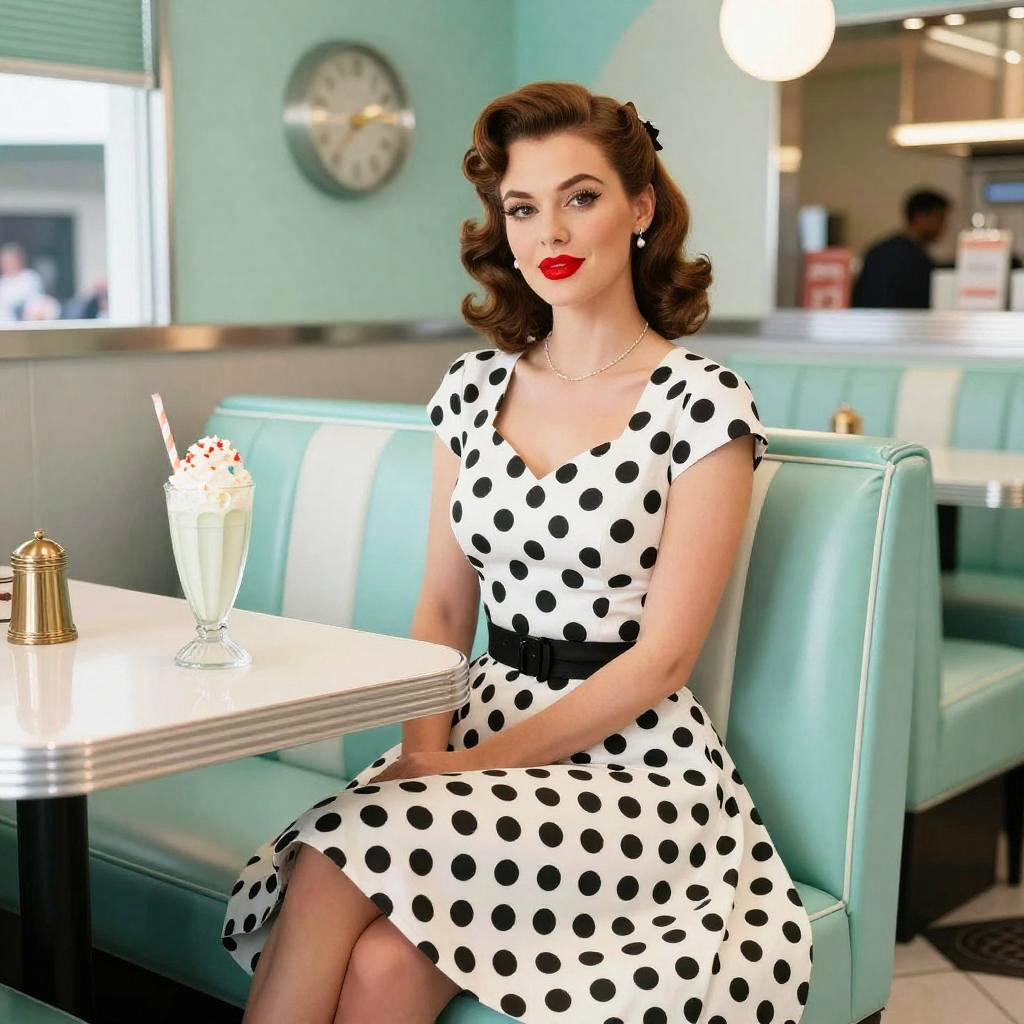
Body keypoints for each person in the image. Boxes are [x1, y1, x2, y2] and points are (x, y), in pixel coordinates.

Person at [222, 81, 813, 1024]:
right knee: (383, 966)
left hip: (631, 766)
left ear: (641, 207)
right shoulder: (469, 389)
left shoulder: (704, 403)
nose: (552, 231)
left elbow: (663, 661)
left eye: (581, 196)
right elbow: (442, 610)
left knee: (331, 866)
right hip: (471, 725)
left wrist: (463, 774)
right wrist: (428, 757)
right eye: (523, 207)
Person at [851, 188, 951, 308]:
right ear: (921, 217)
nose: (944, 226)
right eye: (941, 219)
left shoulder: (878, 250)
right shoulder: (914, 259)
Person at [0, 243, 44, 320]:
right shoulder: (2, 281)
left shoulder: (30, 277)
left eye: (9, 261)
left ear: (19, 260)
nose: (6, 265)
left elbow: (32, 303)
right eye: (3, 262)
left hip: (24, 322)